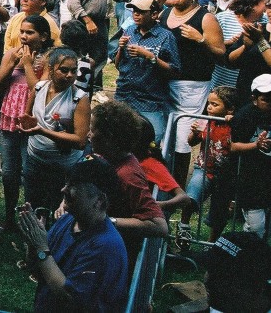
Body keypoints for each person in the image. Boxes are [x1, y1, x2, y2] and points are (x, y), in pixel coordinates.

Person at [17, 156, 128, 313]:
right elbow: (38, 269)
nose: (63, 190)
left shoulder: (106, 246)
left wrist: (41, 247)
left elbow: (70, 299)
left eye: (74, 185)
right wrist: (32, 243)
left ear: (99, 201)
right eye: (66, 183)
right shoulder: (68, 221)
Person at [159, 0, 225, 187]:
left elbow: (221, 53)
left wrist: (201, 39)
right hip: (163, 83)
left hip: (192, 86)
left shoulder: (205, 18)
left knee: (183, 139)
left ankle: (177, 187)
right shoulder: (165, 13)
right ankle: (161, 182)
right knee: (163, 136)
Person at [87, 101, 169, 264]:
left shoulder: (128, 174)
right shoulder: (104, 156)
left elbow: (159, 226)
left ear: (108, 137)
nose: (88, 134)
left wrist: (107, 220)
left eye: (92, 129)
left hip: (113, 253)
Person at [0, 14, 50, 231]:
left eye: (30, 32)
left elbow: (39, 88)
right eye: (22, 32)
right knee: (8, 172)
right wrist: (12, 63)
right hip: (9, 118)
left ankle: (31, 221)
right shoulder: (11, 54)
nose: (24, 36)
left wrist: (27, 65)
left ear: (43, 36)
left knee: (29, 171)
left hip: (31, 120)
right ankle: (8, 218)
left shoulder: (47, 59)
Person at [21, 48, 91, 213]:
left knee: (57, 209)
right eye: (64, 70)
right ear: (51, 70)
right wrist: (26, 124)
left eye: (74, 71)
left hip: (62, 168)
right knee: (32, 204)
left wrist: (43, 131)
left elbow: (80, 141)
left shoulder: (79, 99)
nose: (69, 75)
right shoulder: (38, 88)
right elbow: (27, 116)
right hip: (35, 160)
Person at [114, 0, 181, 141]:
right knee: (118, 138)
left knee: (153, 139)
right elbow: (118, 65)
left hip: (150, 100)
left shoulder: (165, 36)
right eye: (134, 11)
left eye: (141, 11)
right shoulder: (130, 30)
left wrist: (149, 56)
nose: (136, 14)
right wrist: (120, 48)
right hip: (125, 95)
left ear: (154, 14)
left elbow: (174, 70)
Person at [179, 86, 235, 244]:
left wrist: (233, 120)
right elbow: (191, 142)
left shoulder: (234, 125)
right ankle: (184, 227)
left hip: (225, 175)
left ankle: (211, 244)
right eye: (209, 103)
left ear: (230, 109)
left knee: (220, 211)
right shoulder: (205, 120)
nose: (209, 107)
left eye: (215, 105)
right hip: (203, 169)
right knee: (190, 197)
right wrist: (195, 133)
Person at [230, 74, 271, 239]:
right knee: (256, 228)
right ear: (254, 98)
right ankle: (249, 261)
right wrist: (256, 145)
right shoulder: (244, 116)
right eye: (266, 99)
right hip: (251, 181)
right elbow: (232, 146)